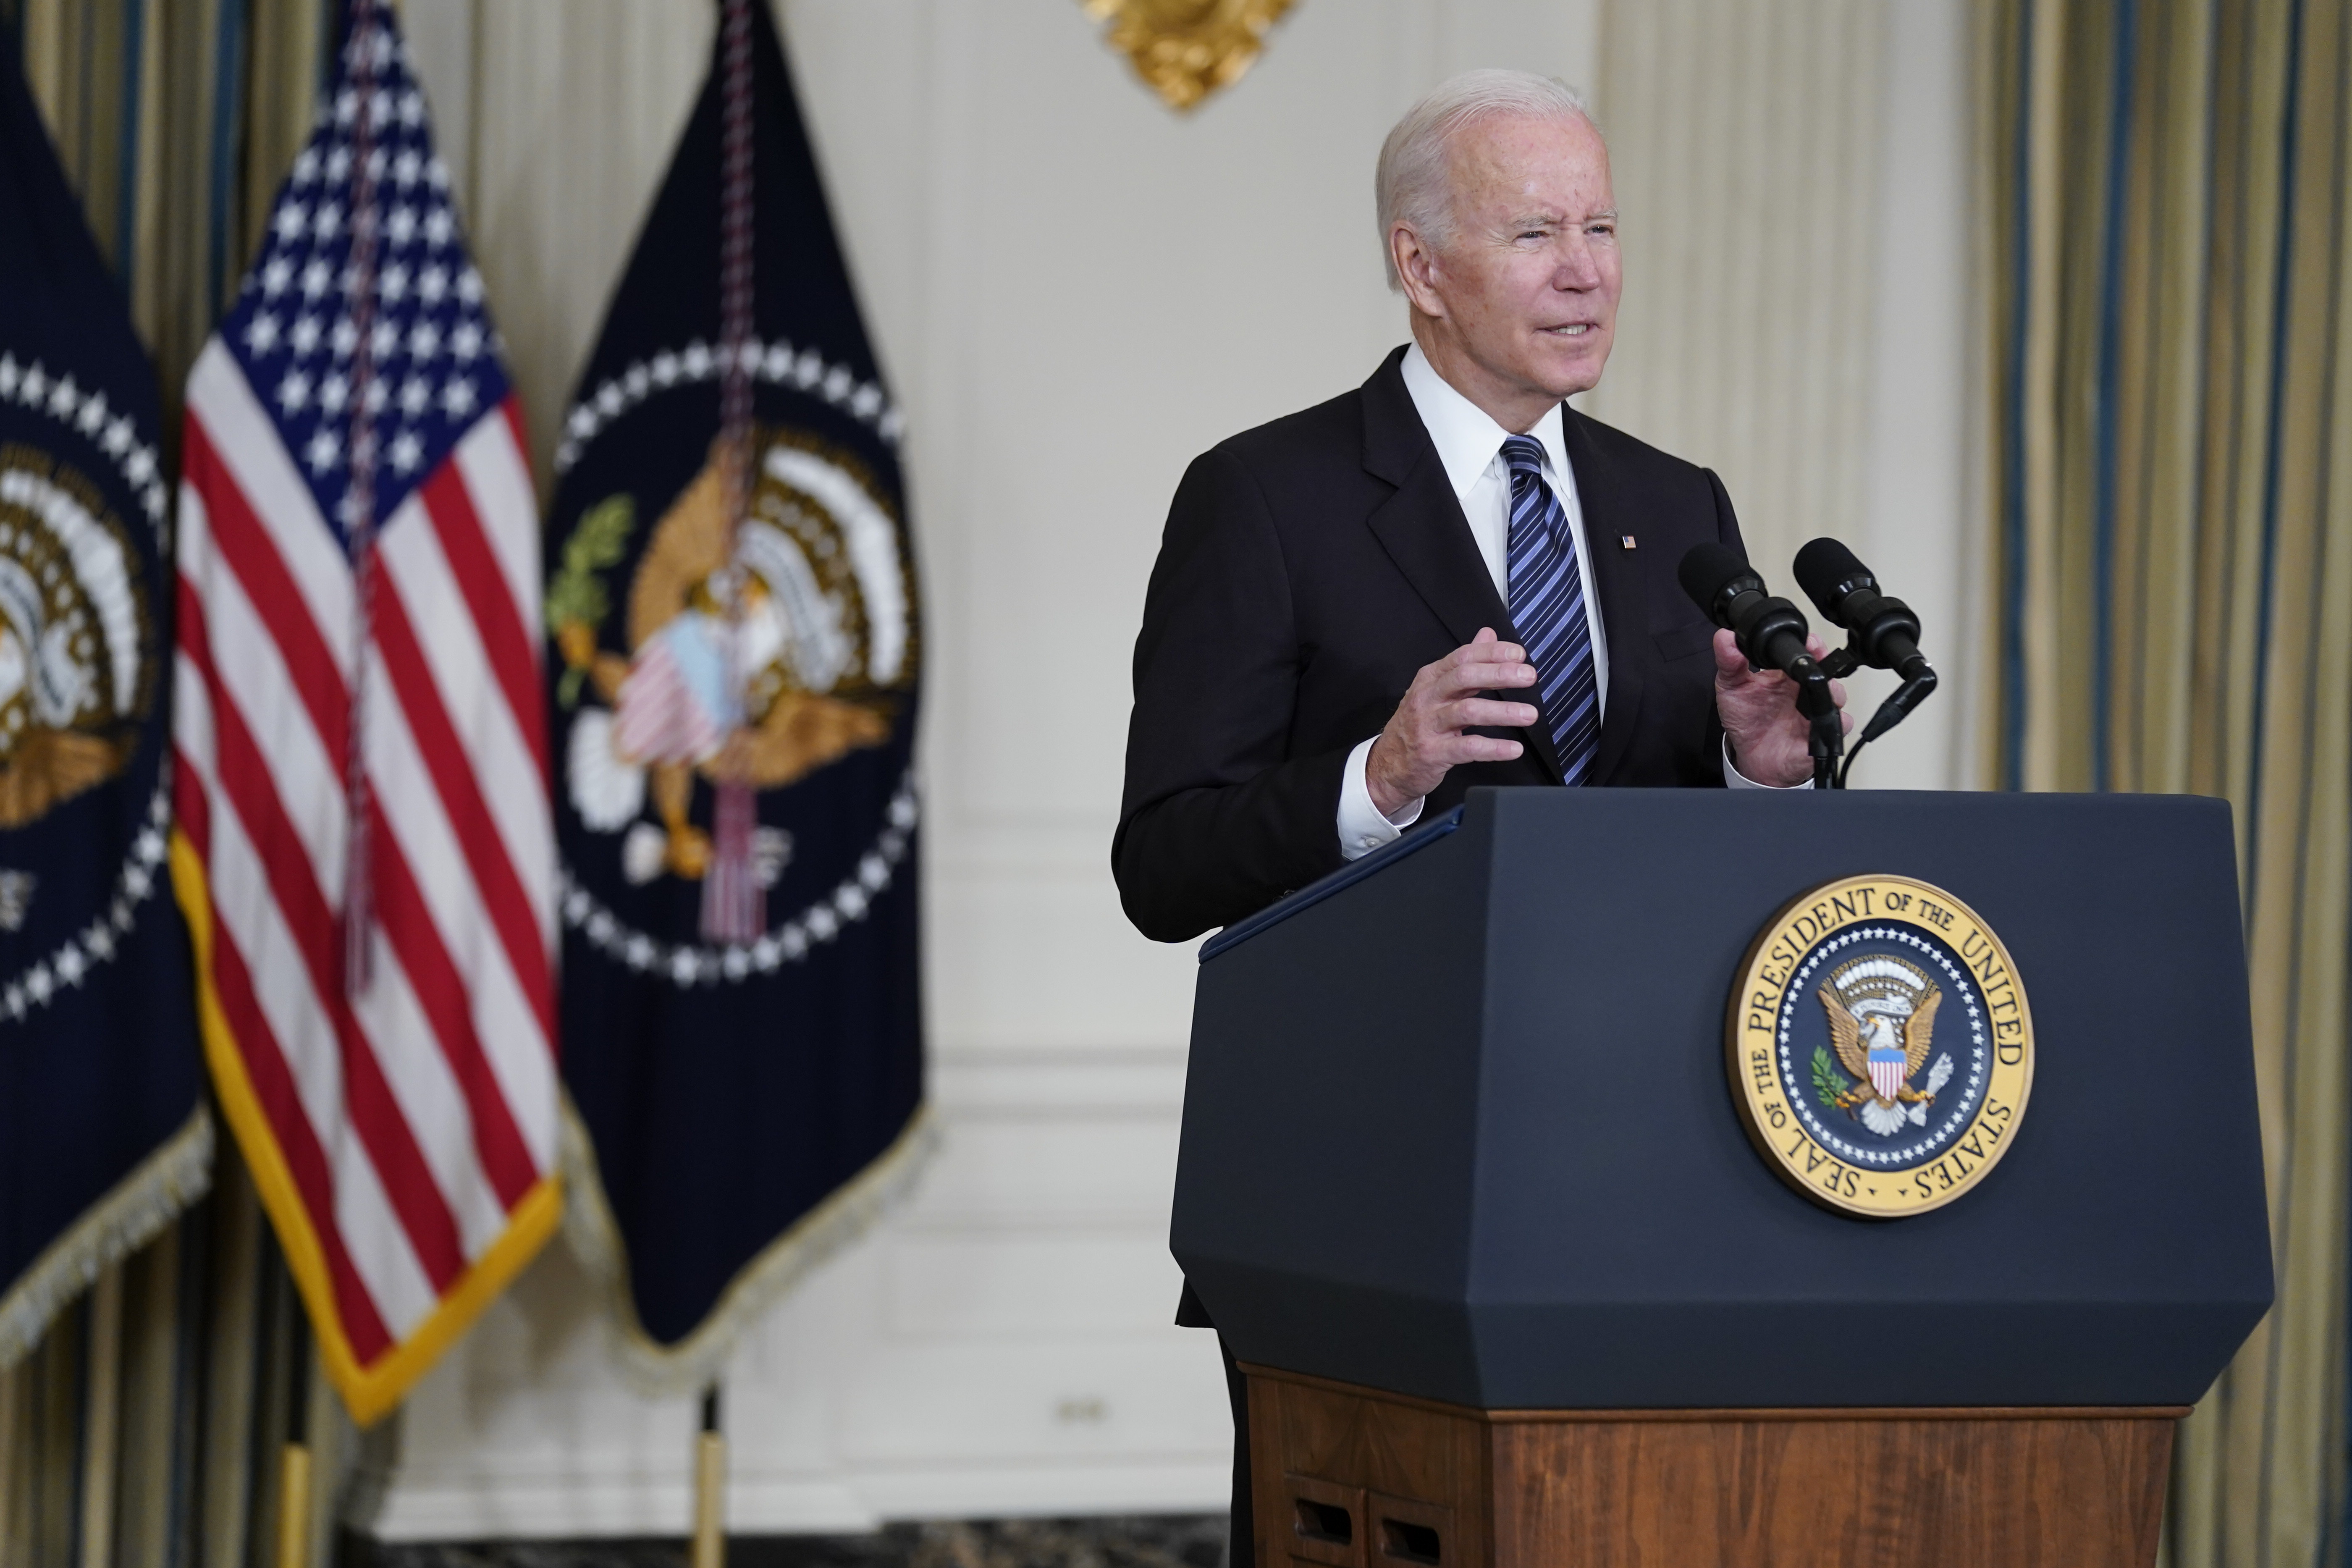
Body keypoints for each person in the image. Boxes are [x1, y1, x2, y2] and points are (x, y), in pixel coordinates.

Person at [1111, 70, 1850, 1567]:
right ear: (1420, 266)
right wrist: (1377, 780)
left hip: (1650, 1184)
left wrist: (1758, 774)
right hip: (1364, 1199)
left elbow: (1680, 863)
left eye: (1601, 228)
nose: (1586, 272)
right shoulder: (1266, 497)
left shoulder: (1677, 505)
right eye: (1534, 234)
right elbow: (1164, 861)